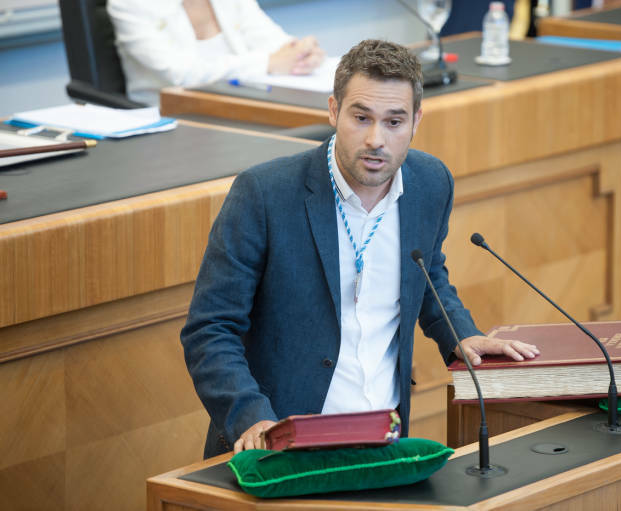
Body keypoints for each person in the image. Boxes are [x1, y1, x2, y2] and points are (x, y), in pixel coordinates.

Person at [180, 39, 540, 458]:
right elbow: (210, 329)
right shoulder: (264, 194)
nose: (376, 139)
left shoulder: (430, 183)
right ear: (333, 110)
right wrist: (252, 418)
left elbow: (427, 271)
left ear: (416, 121)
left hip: (383, 438)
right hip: (282, 444)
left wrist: (461, 333)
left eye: (393, 122)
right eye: (361, 117)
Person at [107, 0, 326, 105]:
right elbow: (181, 74)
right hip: (175, 117)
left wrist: (302, 53)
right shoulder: (129, 4)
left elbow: (272, 41)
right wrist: (268, 62)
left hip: (244, 104)